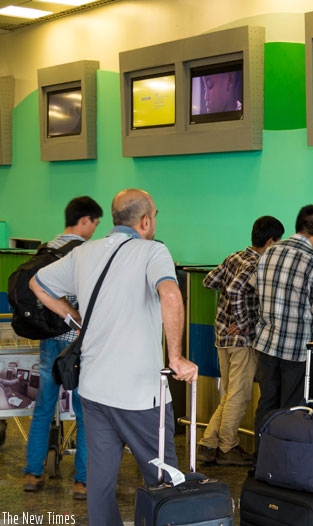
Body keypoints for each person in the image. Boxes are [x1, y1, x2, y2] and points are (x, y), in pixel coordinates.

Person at [30, 188, 198, 526]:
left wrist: (71, 316)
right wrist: (177, 357)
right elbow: (170, 293)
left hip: (93, 391)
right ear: (146, 220)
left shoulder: (85, 252)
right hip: (141, 394)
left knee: (100, 483)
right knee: (164, 481)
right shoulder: (153, 251)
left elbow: (37, 283)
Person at [22, 196, 102, 499]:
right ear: (85, 220)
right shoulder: (85, 252)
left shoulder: (46, 247)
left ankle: (32, 473)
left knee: (43, 407)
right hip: (76, 345)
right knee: (84, 412)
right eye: (95, 222)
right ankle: (82, 481)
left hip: (47, 340)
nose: (95, 228)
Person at [196, 215, 284, 467]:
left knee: (229, 393)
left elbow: (209, 281)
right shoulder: (257, 263)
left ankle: (209, 443)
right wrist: (244, 320)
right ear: (269, 241)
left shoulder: (234, 256)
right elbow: (236, 289)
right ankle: (228, 447)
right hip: (241, 338)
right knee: (240, 394)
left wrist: (231, 309)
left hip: (222, 334)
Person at [253, 205, 313, 441]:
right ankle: (281, 462)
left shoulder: (269, 251)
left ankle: (260, 460)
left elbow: (257, 287)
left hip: (266, 343)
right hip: (296, 348)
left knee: (267, 402)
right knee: (290, 408)